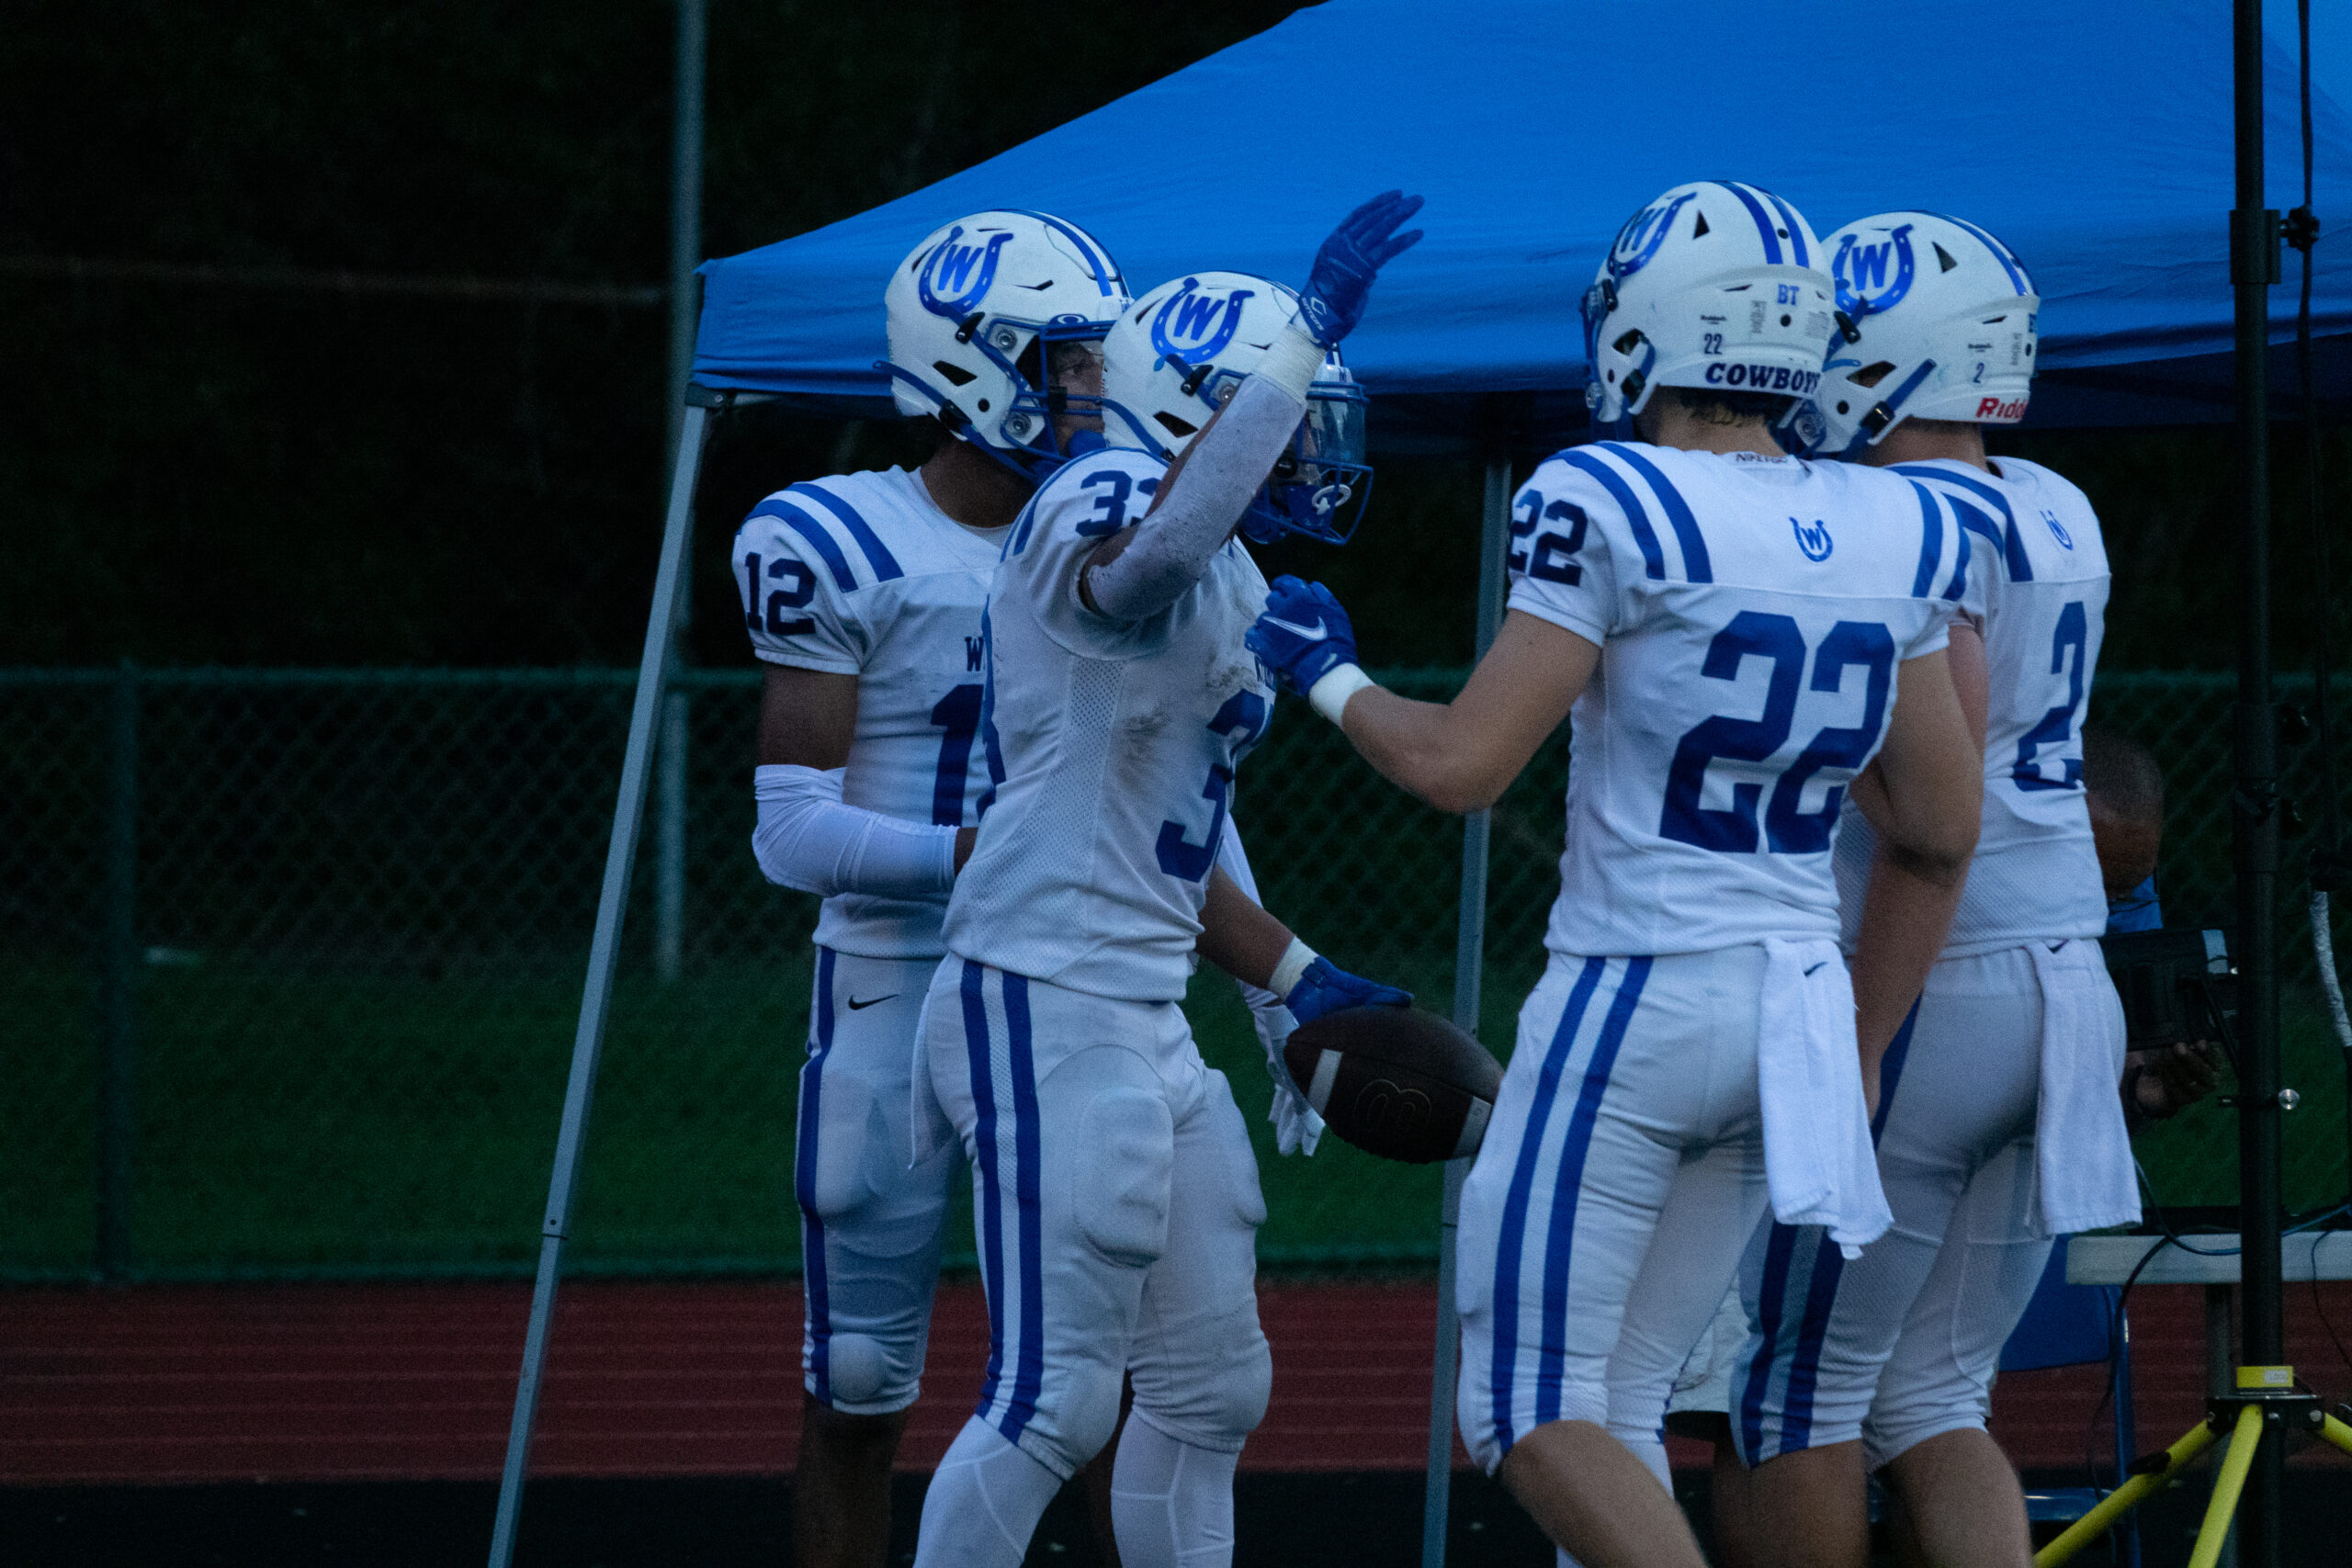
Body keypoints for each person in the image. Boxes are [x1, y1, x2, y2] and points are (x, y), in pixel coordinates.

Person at [1247, 180, 1983, 1568]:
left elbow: (1464, 765)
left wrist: (1327, 676)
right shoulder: (1904, 519)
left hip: (1639, 996)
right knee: (1625, 1395)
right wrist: (1864, 1036)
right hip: (1799, 1017)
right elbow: (1940, 826)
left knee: (1526, 1407)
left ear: (1651, 327)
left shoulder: (1607, 492)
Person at [910, 193, 1426, 1568]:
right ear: (1208, 407)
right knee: (1054, 1401)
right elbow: (1150, 558)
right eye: (1289, 411)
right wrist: (1300, 334)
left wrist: (1288, 982)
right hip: (1039, 990)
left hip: (1138, 1005)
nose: (1312, 443)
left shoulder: (1234, 571)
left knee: (1213, 1386)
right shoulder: (1096, 497)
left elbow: (1180, 833)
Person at [1730, 210, 2142, 1568]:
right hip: (2064, 972)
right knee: (1935, 1395)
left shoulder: (1895, 514)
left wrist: (1856, 1036)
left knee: (1796, 1391)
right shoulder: (2053, 499)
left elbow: (1931, 801)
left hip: (1932, 981)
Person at [738, 209, 1139, 1568]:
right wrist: (988, 855)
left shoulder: (1115, 538)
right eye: (1065, 358)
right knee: (857, 1381)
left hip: (1069, 984)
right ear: (971, 364)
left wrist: (1275, 980)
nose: (1091, 387)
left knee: (1101, 1386)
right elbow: (791, 831)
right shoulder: (844, 537)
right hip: (894, 981)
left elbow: (1175, 795)